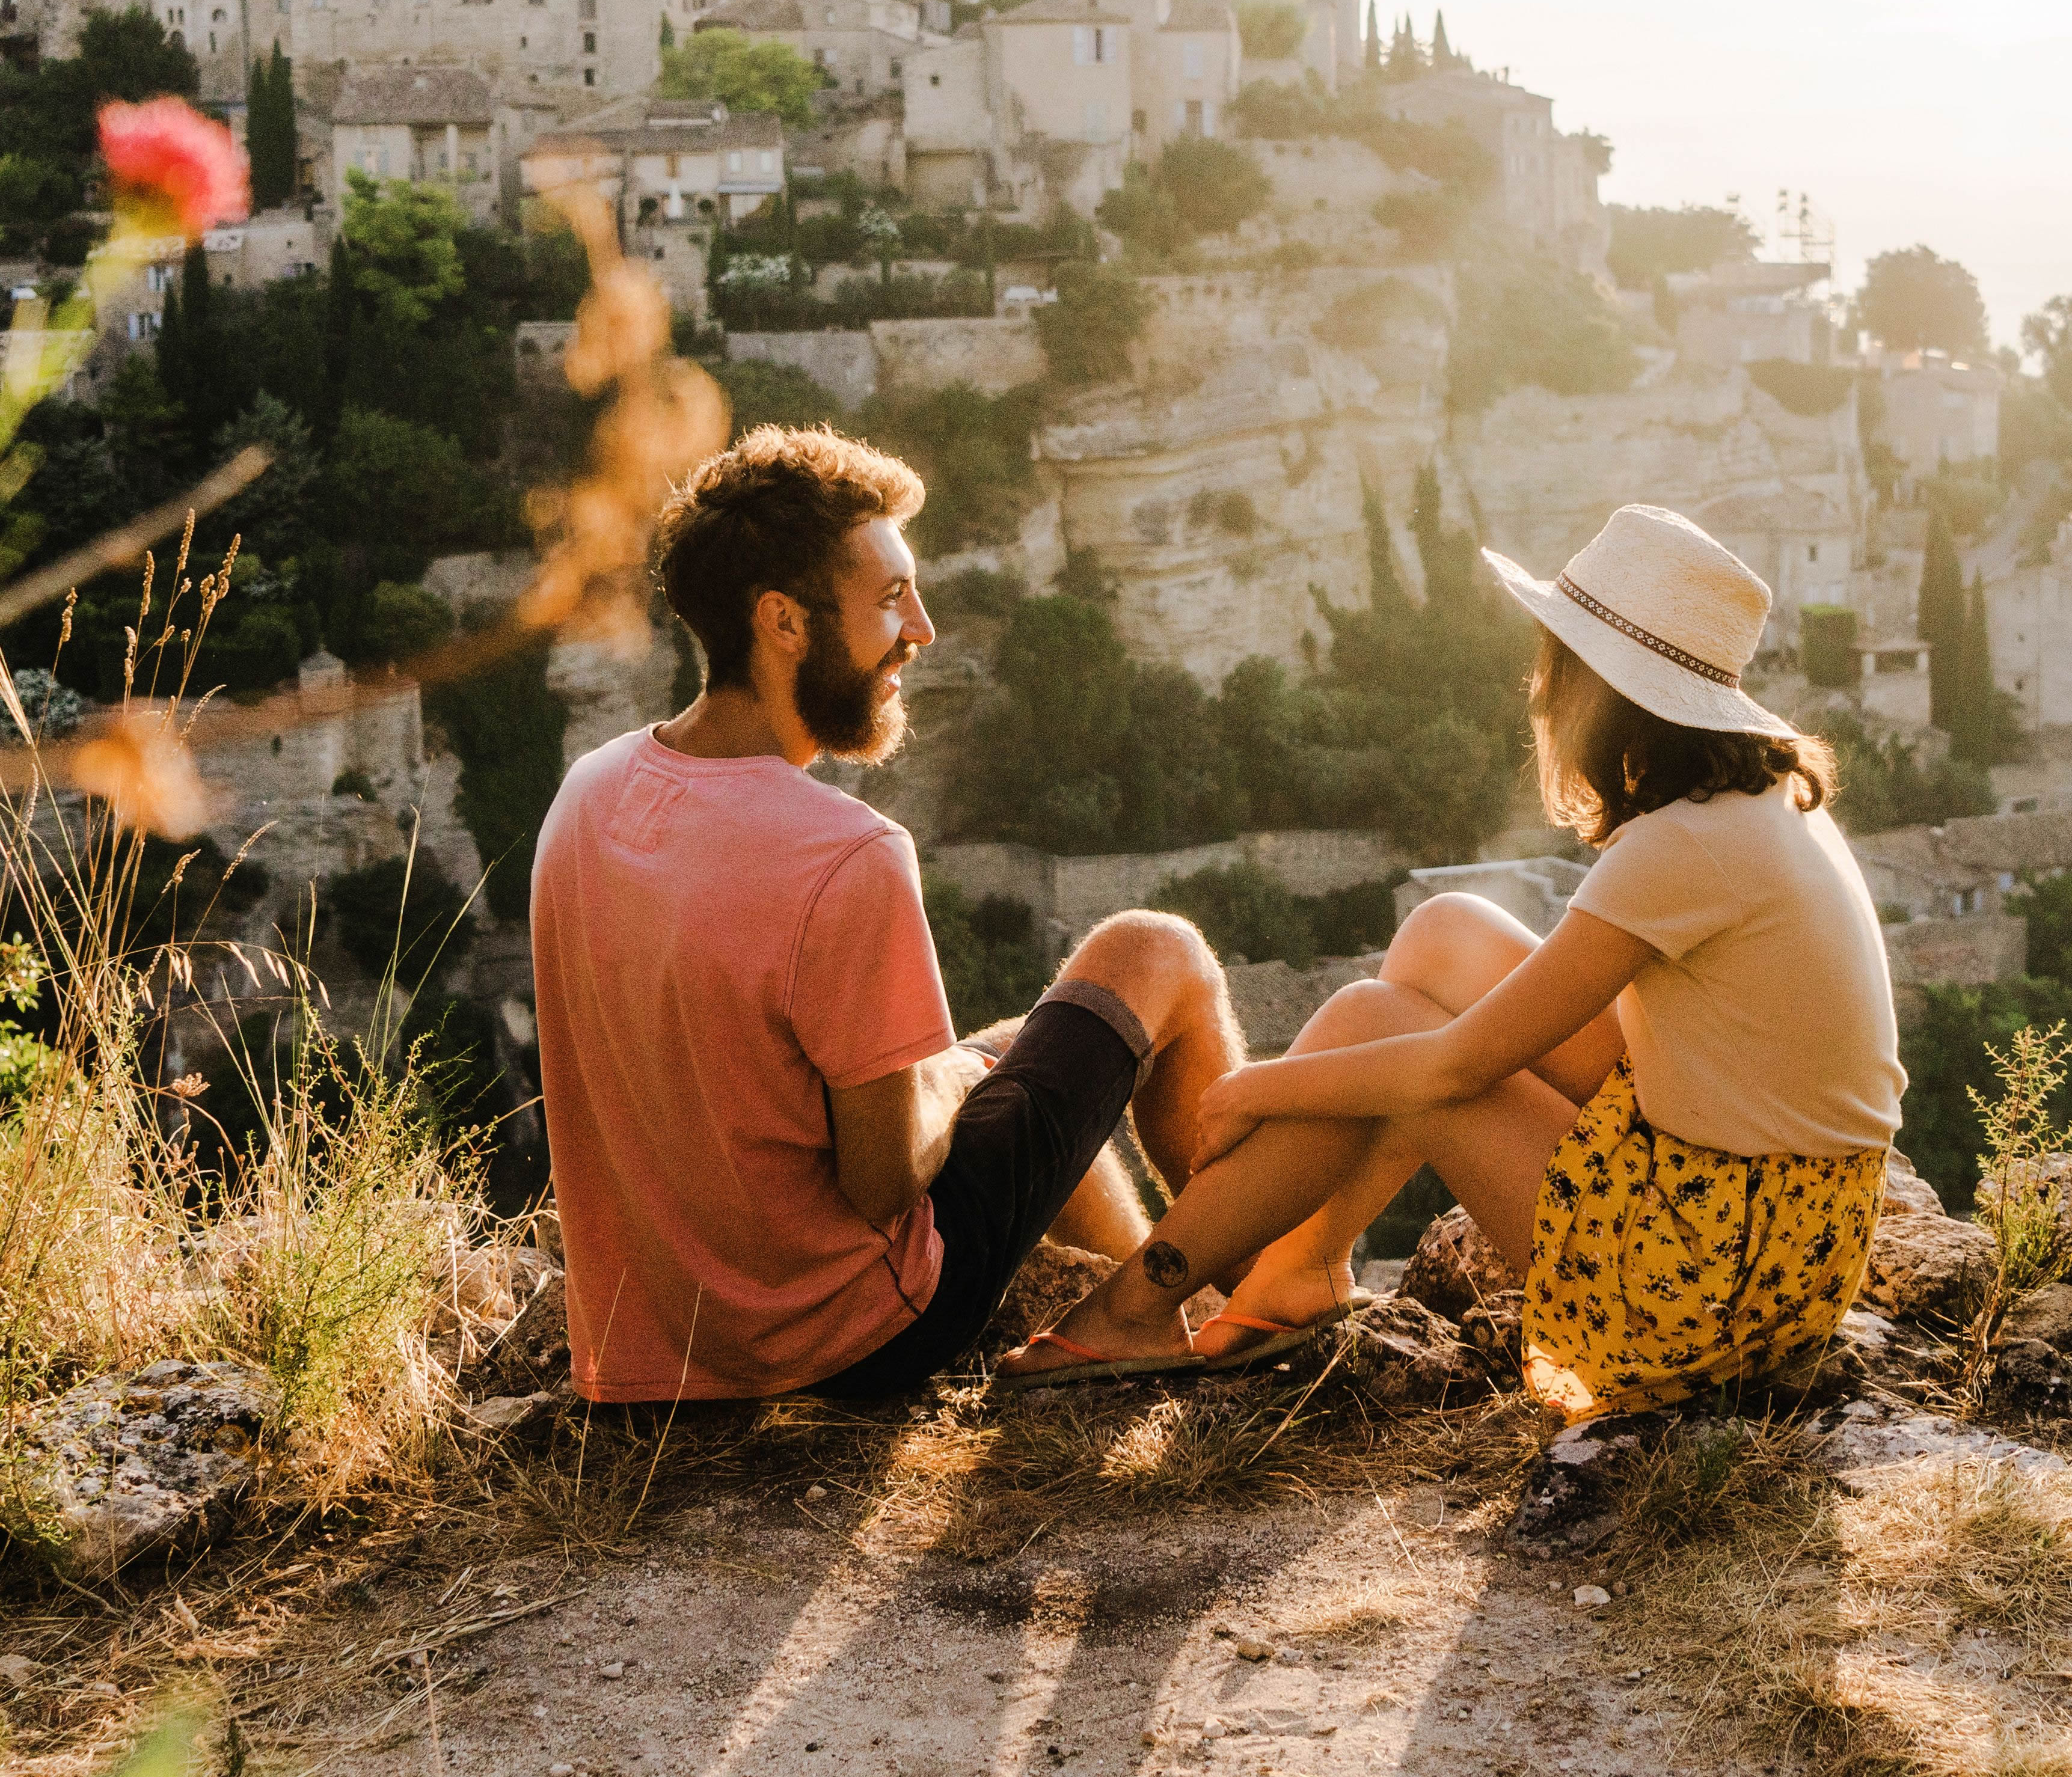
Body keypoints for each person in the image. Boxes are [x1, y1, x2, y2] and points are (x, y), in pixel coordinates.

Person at [1006, 504, 1906, 1419]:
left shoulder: (1684, 846)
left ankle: (1143, 1300)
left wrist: (1255, 1090)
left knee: (1384, 1026)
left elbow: (1457, 1063)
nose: (1538, 684)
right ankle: (1296, 1269)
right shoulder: (1758, 803)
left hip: (1712, 1286)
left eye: (1555, 656)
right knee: (1444, 933)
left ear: (1599, 686)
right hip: (1785, 1232)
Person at [529, 422, 1247, 1403]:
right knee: (1156, 952)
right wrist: (951, 1078)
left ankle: (1158, 1319)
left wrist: (959, 1071)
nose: (923, 627)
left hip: (662, 1350)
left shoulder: (587, 795)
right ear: (783, 621)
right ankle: (1257, 1303)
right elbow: (886, 1182)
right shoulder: (848, 854)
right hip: (845, 1338)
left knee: (1009, 1061)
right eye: (890, 598)